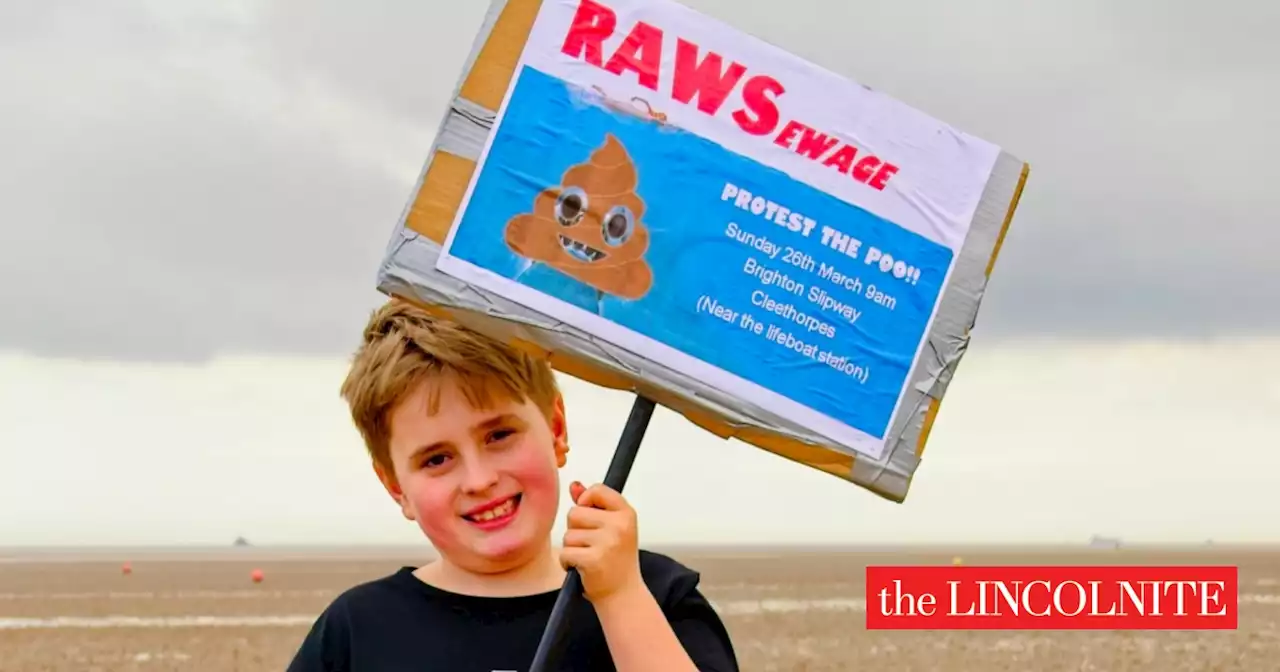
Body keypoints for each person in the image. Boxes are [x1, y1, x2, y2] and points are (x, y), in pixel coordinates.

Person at [286, 300, 738, 671]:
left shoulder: (656, 594)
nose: (480, 480)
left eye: (499, 435)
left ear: (556, 428)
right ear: (395, 487)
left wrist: (619, 597)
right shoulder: (358, 630)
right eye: (437, 459)